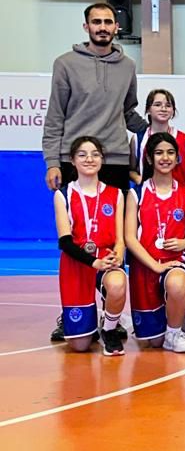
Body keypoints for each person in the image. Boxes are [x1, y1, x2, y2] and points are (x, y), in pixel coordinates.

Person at [43, 2, 146, 341]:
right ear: (86, 27)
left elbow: (128, 112)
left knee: (116, 239)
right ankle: (72, 314)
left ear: (117, 27)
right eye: (96, 22)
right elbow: (55, 116)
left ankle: (113, 315)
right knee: (77, 241)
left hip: (115, 160)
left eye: (108, 22)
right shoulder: (65, 64)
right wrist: (53, 161)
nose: (103, 27)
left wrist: (160, 130)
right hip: (74, 161)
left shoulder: (128, 66)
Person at [54, 135, 128, 356]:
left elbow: (120, 238)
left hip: (105, 256)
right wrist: (94, 262)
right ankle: (84, 324)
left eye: (95, 154)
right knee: (80, 346)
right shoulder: (63, 194)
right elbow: (65, 242)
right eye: (82, 155)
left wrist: (118, 255)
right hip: (76, 261)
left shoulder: (115, 194)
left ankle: (109, 329)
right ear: (72, 160)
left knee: (117, 284)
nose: (89, 159)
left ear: (102, 159)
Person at [125, 132, 185, 353]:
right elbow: (129, 237)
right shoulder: (136, 194)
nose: (165, 158)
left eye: (170, 153)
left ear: (177, 158)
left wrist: (184, 242)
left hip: (175, 261)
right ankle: (176, 314)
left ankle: (174, 333)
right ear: (149, 158)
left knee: (176, 283)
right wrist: (155, 265)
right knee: (153, 342)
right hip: (145, 265)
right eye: (159, 153)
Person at [130, 88, 185, 186]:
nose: (163, 109)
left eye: (168, 105)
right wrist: (139, 179)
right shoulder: (138, 139)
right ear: (148, 109)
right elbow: (131, 170)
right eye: (157, 105)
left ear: (173, 111)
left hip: (178, 194)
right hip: (146, 193)